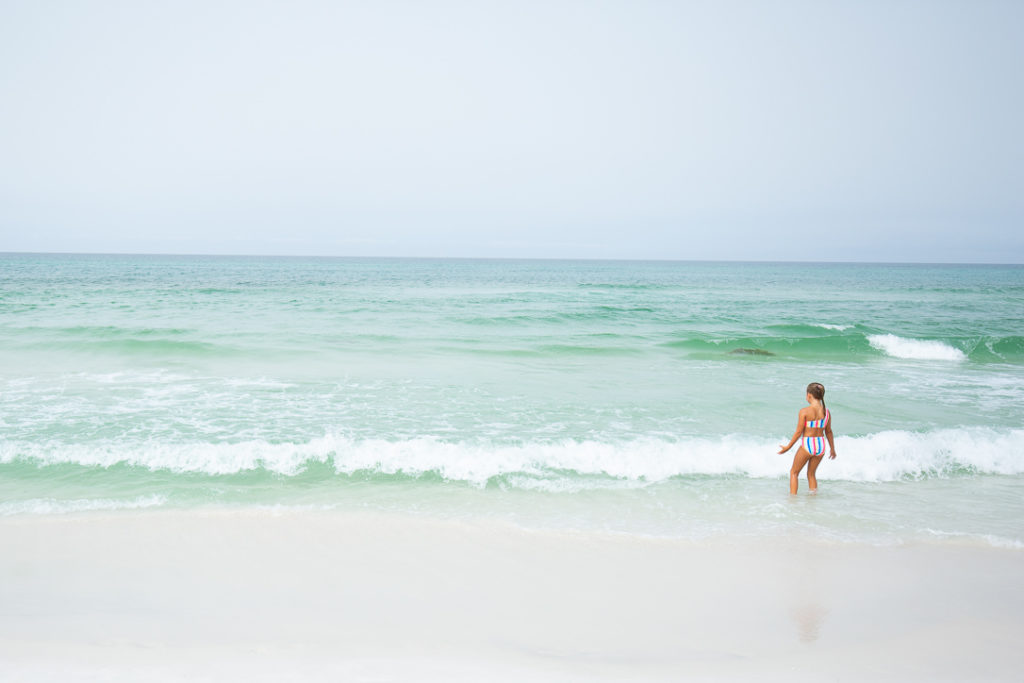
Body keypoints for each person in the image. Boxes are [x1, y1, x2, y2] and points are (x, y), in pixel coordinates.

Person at [778, 382, 836, 494]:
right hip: (821, 445)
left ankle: (793, 500)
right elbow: (828, 431)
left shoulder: (804, 411)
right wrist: (832, 449)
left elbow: (799, 432)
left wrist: (788, 447)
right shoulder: (826, 412)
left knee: (794, 473)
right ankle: (812, 501)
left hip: (808, 445)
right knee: (811, 474)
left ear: (809, 395)